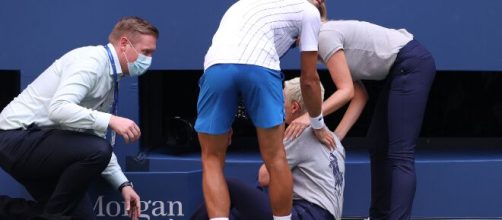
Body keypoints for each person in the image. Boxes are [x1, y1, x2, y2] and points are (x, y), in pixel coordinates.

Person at [0, 16, 159, 220]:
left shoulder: (111, 76)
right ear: (124, 44)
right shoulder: (91, 61)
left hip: (39, 144)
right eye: (146, 52)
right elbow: (58, 109)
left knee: (79, 218)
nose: (149, 60)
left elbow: (93, 140)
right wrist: (111, 120)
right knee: (98, 151)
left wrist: (123, 184)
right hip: (14, 139)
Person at [284, 15, 436, 219]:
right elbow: (359, 94)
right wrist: (336, 138)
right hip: (399, 69)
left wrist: (310, 118)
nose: (298, 45)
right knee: (377, 142)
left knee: (401, 154)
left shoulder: (325, 36)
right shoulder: (327, 39)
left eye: (295, 40)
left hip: (411, 63)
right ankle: (379, 216)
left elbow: (346, 91)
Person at [194, 0, 336, 219]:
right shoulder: (310, 11)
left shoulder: (245, 4)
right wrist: (317, 123)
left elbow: (232, 65)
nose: (298, 43)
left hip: (216, 69)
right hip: (261, 69)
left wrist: (225, 115)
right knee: (276, 156)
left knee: (211, 158)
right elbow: (309, 80)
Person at [191, 77, 345, 220]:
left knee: (227, 187)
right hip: (321, 214)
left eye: (281, 99)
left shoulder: (299, 133)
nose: (277, 103)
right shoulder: (334, 140)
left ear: (294, 107)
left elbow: (264, 177)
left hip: (306, 213)